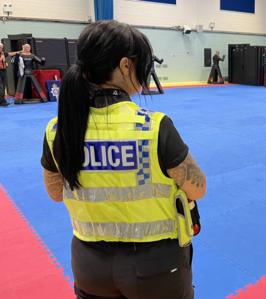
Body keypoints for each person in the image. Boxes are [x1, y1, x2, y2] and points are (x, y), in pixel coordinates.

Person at [41, 20, 206, 299]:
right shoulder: (153, 127)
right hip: (156, 268)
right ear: (126, 65)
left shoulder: (58, 129)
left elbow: (56, 192)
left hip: (89, 265)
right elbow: (197, 188)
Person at [0, 42, 10, 106]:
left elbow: (10, 54)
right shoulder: (2, 55)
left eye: (2, 47)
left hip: (3, 71)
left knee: (3, 87)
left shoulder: (3, 53)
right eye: (0, 47)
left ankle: (2, 100)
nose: (1, 48)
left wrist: (6, 63)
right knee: (0, 87)